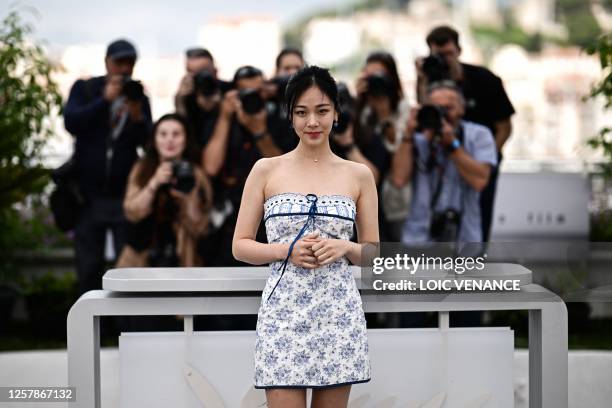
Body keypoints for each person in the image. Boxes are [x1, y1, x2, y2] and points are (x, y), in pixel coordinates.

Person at [232, 66, 378, 407]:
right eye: (302, 112)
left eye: (322, 111)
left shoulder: (359, 175)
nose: (312, 122)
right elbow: (240, 246)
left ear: (337, 114)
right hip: (283, 315)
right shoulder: (265, 170)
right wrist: (286, 251)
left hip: (339, 314)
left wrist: (344, 246)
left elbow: (374, 255)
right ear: (290, 117)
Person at [63, 38, 152, 295]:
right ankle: (90, 325)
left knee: (125, 267)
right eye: (119, 62)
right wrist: (104, 101)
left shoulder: (138, 97)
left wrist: (137, 116)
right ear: (107, 63)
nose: (124, 69)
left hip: (123, 198)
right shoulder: (85, 88)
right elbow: (72, 122)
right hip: (88, 197)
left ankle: (122, 327)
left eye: (129, 63)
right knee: (88, 265)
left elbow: (149, 144)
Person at [416, 25, 515, 242]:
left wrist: (488, 157)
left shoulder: (485, 80)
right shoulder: (432, 81)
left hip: (479, 159)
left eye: (449, 54)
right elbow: (426, 115)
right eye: (439, 55)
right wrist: (422, 78)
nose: (445, 59)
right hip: (442, 158)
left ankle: (475, 265)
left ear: (459, 50)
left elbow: (505, 126)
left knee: (479, 218)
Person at [201, 65, 285, 266]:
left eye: (255, 92)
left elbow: (285, 170)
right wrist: (224, 116)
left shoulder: (279, 120)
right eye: (244, 93)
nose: (250, 98)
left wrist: (259, 130)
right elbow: (211, 167)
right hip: (229, 219)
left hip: (270, 220)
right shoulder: (221, 119)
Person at [397, 81, 496, 245]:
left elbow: (480, 181)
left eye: (448, 108)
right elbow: (399, 179)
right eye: (436, 108)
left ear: (462, 109)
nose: (442, 115)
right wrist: (408, 133)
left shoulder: (478, 135)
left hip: (464, 239)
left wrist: (452, 145)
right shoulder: (417, 139)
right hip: (419, 238)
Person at [116, 113, 212, 267]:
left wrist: (187, 198)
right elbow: (132, 213)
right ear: (154, 140)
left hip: (183, 257)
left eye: (176, 134)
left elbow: (201, 228)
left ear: (186, 140)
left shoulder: (196, 174)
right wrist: (154, 183)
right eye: (163, 134)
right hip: (140, 257)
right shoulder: (142, 168)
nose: (170, 140)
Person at [336, 51, 411, 241]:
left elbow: (393, 149)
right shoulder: (360, 110)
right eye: (370, 76)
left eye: (380, 76)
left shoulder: (403, 109)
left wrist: (384, 112)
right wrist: (360, 97)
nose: (375, 81)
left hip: (395, 200)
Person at [174, 47, 231, 149]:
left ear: (215, 70)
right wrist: (180, 100)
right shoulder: (186, 98)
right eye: (192, 72)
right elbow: (180, 130)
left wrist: (221, 105)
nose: (200, 76)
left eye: (204, 71)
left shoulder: (228, 90)